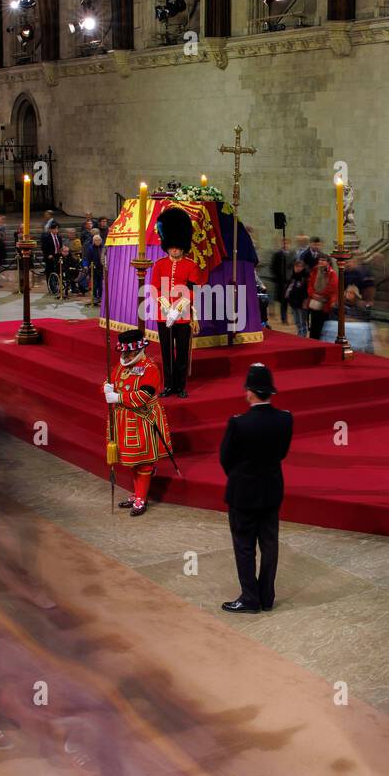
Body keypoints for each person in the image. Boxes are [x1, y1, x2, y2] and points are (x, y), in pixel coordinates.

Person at [220, 363, 293, 615]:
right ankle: (267, 596)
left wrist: (240, 477)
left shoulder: (238, 423)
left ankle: (249, 598)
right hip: (271, 490)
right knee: (270, 544)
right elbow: (282, 453)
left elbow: (225, 458)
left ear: (250, 392)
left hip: (243, 494)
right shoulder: (285, 419)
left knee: (244, 545)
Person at [103, 328, 171, 517]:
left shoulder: (150, 368)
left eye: (129, 352)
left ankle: (141, 497)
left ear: (138, 350)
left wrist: (118, 397)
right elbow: (112, 383)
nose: (125, 355)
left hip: (142, 420)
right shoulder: (120, 366)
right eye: (123, 352)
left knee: (143, 462)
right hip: (124, 420)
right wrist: (107, 388)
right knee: (133, 461)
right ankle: (138, 493)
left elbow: (144, 395)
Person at [150, 207, 204, 399]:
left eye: (177, 246)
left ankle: (180, 386)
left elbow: (192, 289)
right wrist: (166, 307)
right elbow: (155, 287)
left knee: (181, 353)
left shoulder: (191, 266)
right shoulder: (159, 265)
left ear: (182, 246)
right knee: (166, 353)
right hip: (163, 314)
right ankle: (169, 385)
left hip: (183, 317)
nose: (174, 249)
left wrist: (178, 308)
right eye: (172, 246)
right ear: (167, 245)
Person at [305, 254, 338, 340]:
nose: (320, 262)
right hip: (314, 303)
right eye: (319, 260)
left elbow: (332, 288)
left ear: (328, 262)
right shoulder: (315, 270)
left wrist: (320, 295)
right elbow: (310, 284)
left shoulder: (332, 273)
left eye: (323, 260)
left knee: (322, 327)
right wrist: (313, 294)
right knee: (313, 326)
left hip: (325, 305)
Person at [284, 258, 309, 338]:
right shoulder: (293, 276)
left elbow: (307, 290)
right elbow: (289, 288)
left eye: (299, 266)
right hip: (293, 302)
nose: (297, 268)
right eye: (296, 266)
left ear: (303, 267)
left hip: (302, 302)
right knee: (296, 320)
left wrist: (305, 301)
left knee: (303, 320)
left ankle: (303, 334)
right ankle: (299, 332)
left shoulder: (305, 277)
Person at [40, 220, 65, 293]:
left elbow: (59, 246)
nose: (56, 230)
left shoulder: (59, 237)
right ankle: (51, 288)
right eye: (55, 229)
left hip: (57, 256)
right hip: (49, 258)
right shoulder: (46, 237)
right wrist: (48, 255)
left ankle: (58, 286)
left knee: (58, 272)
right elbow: (43, 248)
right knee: (49, 272)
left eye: (57, 229)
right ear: (51, 229)